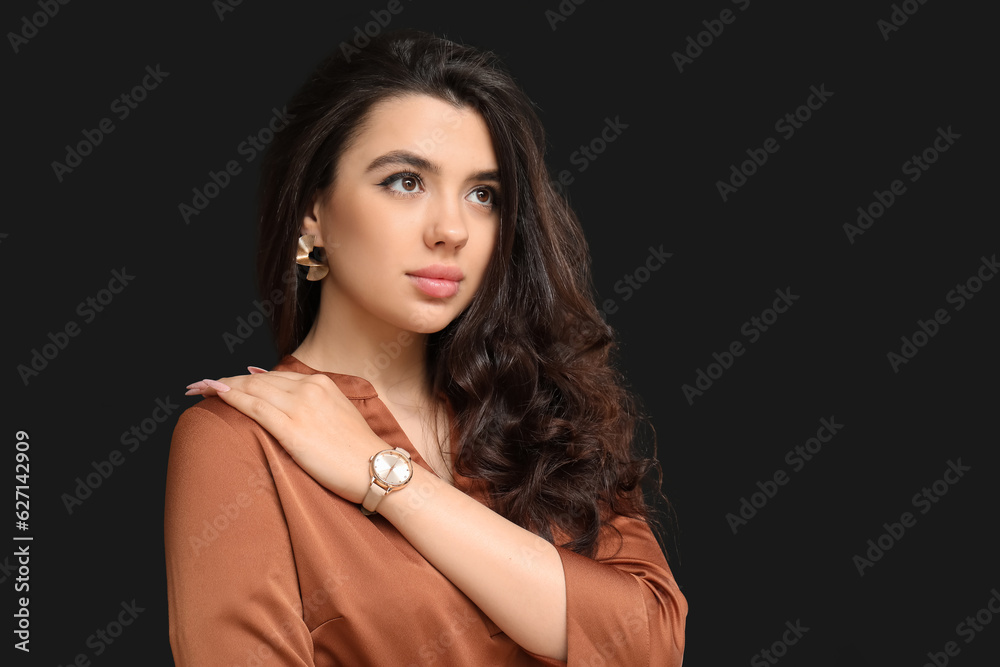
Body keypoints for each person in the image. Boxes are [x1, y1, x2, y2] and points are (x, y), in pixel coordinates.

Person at [164, 29, 687, 666]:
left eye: (482, 195)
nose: (452, 230)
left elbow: (650, 644)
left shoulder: (542, 418)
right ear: (313, 212)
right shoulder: (237, 442)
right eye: (406, 181)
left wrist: (389, 479)